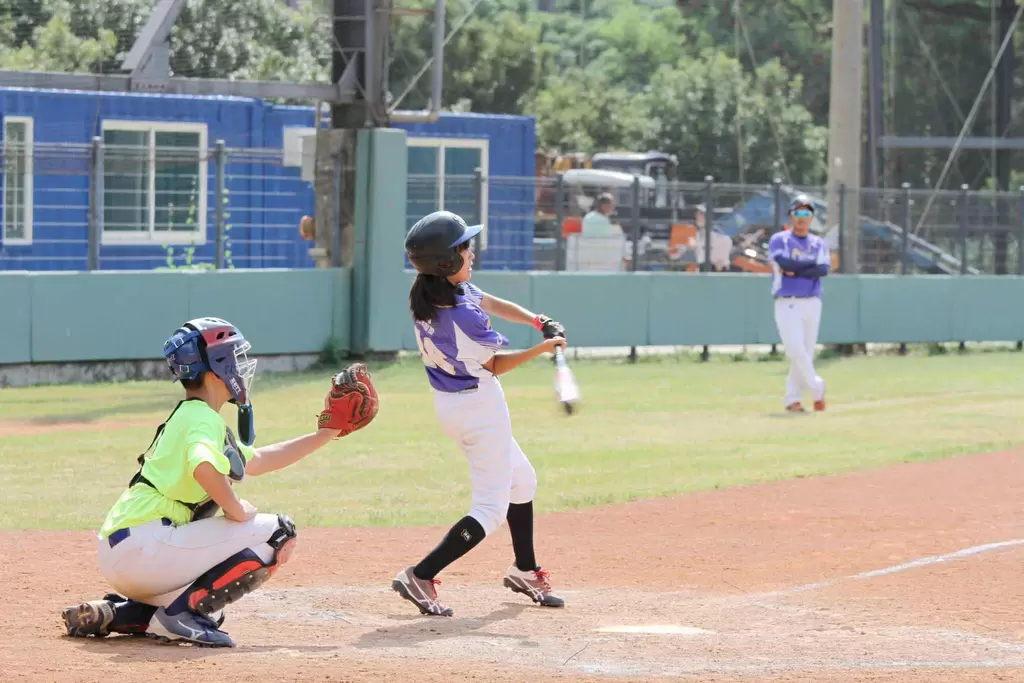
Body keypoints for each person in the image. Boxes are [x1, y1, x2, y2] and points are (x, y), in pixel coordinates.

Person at [61, 317, 379, 647]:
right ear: (217, 367)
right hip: (146, 547)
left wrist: (324, 435)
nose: (242, 367)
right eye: (235, 357)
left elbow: (258, 460)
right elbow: (203, 466)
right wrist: (235, 509)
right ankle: (181, 615)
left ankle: (124, 614)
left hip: (129, 551)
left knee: (214, 544)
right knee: (278, 532)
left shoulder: (192, 415)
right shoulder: (202, 419)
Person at [394, 210, 567, 617]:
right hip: (476, 406)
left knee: (522, 481)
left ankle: (524, 569)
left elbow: (488, 299)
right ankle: (420, 574)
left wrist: (538, 320)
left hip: (461, 404)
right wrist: (544, 349)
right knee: (490, 508)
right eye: (463, 248)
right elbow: (495, 365)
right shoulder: (458, 313)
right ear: (446, 263)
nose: (471, 253)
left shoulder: (437, 292)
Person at [769, 195, 830, 413]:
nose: (802, 218)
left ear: (812, 217)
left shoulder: (818, 243)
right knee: (795, 349)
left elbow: (822, 270)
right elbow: (782, 262)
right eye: (797, 213)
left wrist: (797, 270)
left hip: (812, 301)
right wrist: (806, 268)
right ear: (790, 216)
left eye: (806, 213)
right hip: (787, 300)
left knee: (806, 350)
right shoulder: (780, 239)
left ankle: (792, 399)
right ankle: (817, 386)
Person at [569, 192, 626, 272]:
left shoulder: (588, 216)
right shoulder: (602, 220)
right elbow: (609, 239)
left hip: (587, 255)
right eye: (611, 205)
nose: (613, 207)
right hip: (600, 256)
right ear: (604, 206)